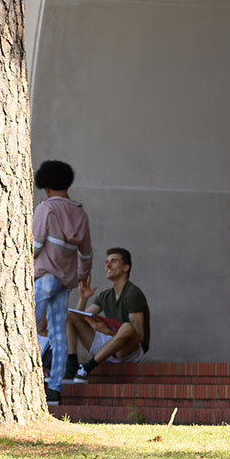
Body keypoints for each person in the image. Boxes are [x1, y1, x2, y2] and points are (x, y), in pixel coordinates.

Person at [33, 160, 93, 406]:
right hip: (65, 282)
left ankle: (28, 380)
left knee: (28, 328)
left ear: (46, 187)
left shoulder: (46, 209)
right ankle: (54, 389)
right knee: (58, 336)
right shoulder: (80, 213)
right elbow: (86, 253)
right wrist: (81, 275)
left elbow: (35, 245)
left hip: (44, 278)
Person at [66, 247, 151, 381]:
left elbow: (138, 336)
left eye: (114, 261)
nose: (108, 265)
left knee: (127, 327)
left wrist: (106, 331)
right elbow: (79, 317)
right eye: (106, 262)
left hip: (129, 351)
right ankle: (71, 365)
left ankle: (87, 367)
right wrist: (83, 298)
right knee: (68, 314)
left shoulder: (133, 294)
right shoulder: (105, 295)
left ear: (126, 267)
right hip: (108, 344)